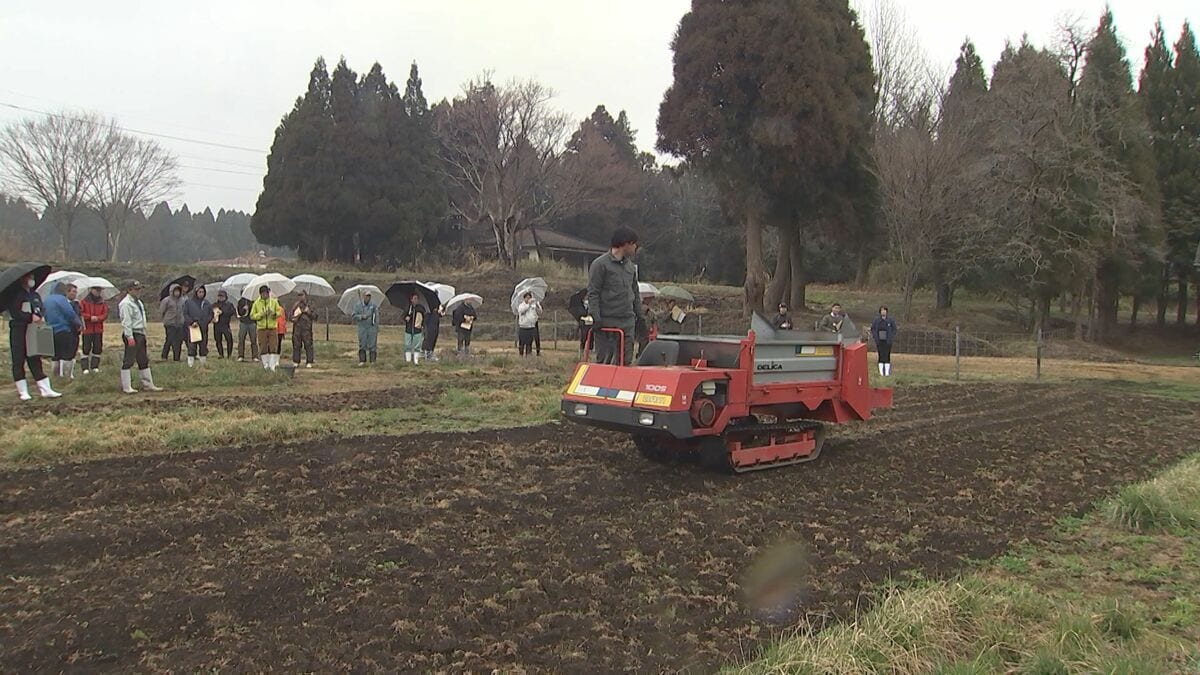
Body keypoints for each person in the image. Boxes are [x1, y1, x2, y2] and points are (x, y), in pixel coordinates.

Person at [587, 227, 644, 366]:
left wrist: (640, 316)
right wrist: (596, 317)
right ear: (626, 243)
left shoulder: (631, 267)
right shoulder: (600, 265)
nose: (636, 248)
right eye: (634, 244)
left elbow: (635, 293)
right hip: (607, 320)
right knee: (604, 360)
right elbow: (593, 292)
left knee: (625, 360)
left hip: (627, 320)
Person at [8, 271, 59, 400]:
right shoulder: (16, 295)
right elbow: (15, 312)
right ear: (22, 279)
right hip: (19, 329)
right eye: (29, 277)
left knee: (35, 357)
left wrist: (39, 314)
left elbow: (41, 308)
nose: (32, 280)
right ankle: (23, 391)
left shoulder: (34, 294)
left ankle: (45, 389)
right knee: (18, 359)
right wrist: (29, 316)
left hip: (34, 329)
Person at [118, 280, 163, 394]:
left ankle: (148, 384)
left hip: (140, 332)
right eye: (136, 289)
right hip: (133, 333)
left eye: (139, 289)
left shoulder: (138, 302)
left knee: (143, 359)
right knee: (129, 360)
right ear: (129, 290)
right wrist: (129, 337)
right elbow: (126, 321)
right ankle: (126, 386)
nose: (139, 292)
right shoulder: (126, 303)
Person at [44, 282, 83, 379]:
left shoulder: (47, 300)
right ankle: (67, 377)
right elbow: (70, 313)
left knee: (56, 356)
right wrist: (78, 324)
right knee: (67, 355)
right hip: (64, 330)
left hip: (51, 330)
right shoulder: (61, 299)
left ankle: (55, 376)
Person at [250, 285, 282, 371]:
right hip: (261, 328)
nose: (266, 294)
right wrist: (261, 314)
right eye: (264, 293)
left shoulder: (274, 302)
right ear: (261, 294)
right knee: (263, 346)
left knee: (273, 346)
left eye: (267, 293)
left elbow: (279, 312)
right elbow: (252, 315)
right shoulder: (256, 303)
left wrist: (274, 314)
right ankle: (265, 364)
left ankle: (272, 365)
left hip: (272, 327)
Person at [80, 284, 108, 374]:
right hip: (87, 329)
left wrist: (98, 318)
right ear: (91, 290)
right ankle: (85, 368)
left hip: (98, 329)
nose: (98, 292)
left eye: (100, 290)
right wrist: (90, 317)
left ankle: (95, 366)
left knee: (98, 348)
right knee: (86, 348)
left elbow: (105, 314)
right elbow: (81, 313)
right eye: (96, 290)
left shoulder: (103, 302)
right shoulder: (84, 301)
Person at [183, 285, 214, 367]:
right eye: (199, 292)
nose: (201, 294)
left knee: (203, 346)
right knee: (192, 346)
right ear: (196, 292)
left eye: (203, 292)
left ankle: (203, 364)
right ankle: (190, 364)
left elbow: (211, 314)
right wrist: (191, 322)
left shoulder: (207, 303)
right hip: (193, 328)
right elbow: (185, 314)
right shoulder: (189, 302)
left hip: (203, 328)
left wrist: (206, 321)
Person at [159, 284, 186, 362]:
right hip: (170, 323)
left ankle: (177, 357)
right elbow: (162, 311)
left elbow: (184, 310)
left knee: (179, 341)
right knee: (170, 339)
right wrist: (164, 320)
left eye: (178, 291)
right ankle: (164, 355)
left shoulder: (182, 300)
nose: (177, 292)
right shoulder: (166, 300)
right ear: (172, 291)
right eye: (175, 291)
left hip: (180, 323)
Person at [870, 305, 899, 377]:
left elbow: (894, 329)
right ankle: (881, 372)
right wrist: (875, 337)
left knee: (887, 355)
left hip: (887, 341)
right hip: (879, 340)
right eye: (882, 310)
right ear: (880, 312)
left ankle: (886, 372)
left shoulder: (890, 320)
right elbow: (873, 329)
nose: (883, 312)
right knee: (881, 355)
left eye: (885, 310)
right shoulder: (876, 320)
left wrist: (891, 337)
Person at [290, 290, 316, 368]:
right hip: (297, 328)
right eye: (299, 295)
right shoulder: (295, 305)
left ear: (305, 295)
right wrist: (294, 317)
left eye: (302, 295)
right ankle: (296, 361)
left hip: (307, 329)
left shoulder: (310, 305)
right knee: (296, 345)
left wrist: (308, 312)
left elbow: (315, 316)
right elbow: (290, 316)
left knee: (308, 344)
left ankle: (309, 361)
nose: (300, 297)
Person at [353, 292, 380, 366]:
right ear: (363, 297)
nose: (368, 298)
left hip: (372, 327)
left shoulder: (374, 306)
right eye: (366, 296)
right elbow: (354, 315)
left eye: (369, 296)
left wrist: (377, 327)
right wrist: (361, 316)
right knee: (362, 344)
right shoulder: (358, 305)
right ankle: (362, 361)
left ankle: (373, 361)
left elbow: (377, 316)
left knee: (373, 344)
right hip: (362, 328)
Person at [211, 290, 236, 359]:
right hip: (217, 325)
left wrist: (223, 312)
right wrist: (212, 318)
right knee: (218, 340)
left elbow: (232, 312)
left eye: (222, 296)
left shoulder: (229, 304)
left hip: (225, 324)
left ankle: (229, 354)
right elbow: (210, 313)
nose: (220, 297)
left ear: (225, 297)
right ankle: (220, 354)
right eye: (219, 296)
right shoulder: (214, 305)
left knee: (229, 339)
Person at [403, 293, 427, 364]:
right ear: (411, 300)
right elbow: (403, 316)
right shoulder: (408, 307)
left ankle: (416, 361)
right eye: (414, 298)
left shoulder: (421, 308)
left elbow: (424, 317)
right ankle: (408, 360)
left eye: (417, 298)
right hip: (409, 329)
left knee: (417, 345)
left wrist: (422, 325)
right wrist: (406, 318)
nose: (416, 300)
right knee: (407, 345)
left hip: (417, 329)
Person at [236, 295, 259, 362]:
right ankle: (241, 356)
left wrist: (250, 307)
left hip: (252, 322)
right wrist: (244, 309)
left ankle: (255, 356)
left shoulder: (254, 301)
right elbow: (240, 313)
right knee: (241, 339)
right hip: (243, 322)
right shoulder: (241, 301)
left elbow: (256, 311)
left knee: (253, 340)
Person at [517, 291, 540, 357]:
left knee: (529, 343)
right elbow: (522, 311)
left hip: (531, 327)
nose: (528, 299)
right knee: (522, 343)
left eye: (529, 298)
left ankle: (528, 356)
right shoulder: (521, 305)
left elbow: (539, 312)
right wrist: (528, 305)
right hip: (523, 327)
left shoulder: (533, 306)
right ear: (524, 298)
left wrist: (537, 306)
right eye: (527, 298)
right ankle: (521, 355)